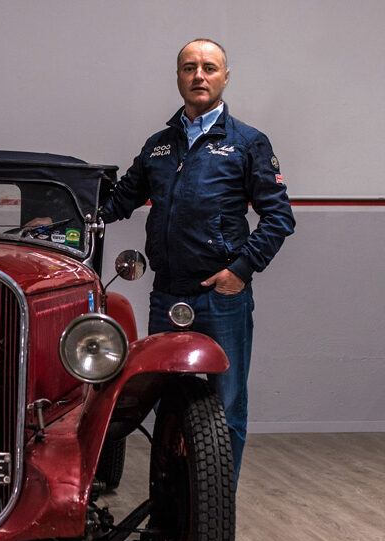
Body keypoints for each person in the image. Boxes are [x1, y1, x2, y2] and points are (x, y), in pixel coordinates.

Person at [100, 38, 295, 485]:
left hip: (220, 297)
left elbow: (279, 217)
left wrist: (240, 272)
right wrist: (65, 216)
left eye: (209, 68)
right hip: (167, 296)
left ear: (225, 77)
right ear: (178, 78)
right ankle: (172, 505)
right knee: (168, 406)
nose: (199, 76)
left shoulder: (247, 143)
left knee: (226, 407)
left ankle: (215, 510)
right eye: (189, 67)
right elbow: (118, 202)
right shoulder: (158, 147)